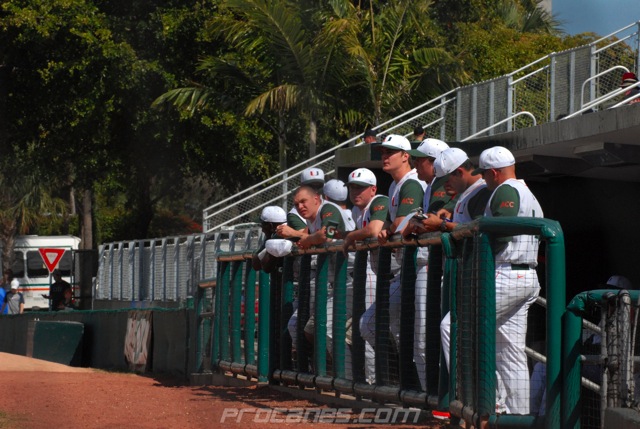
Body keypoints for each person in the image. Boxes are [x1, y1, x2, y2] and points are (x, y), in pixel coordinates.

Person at [473, 146, 544, 414]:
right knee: (510, 351)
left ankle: (489, 401)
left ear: (494, 172)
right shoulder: (528, 192)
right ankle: (518, 416)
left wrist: (472, 229)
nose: (483, 179)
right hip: (525, 273)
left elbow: (500, 234)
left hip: (506, 273)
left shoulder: (505, 189)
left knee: (455, 327)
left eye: (484, 174)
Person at [412, 148, 491, 377]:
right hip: (467, 272)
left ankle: (463, 391)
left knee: (454, 330)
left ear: (459, 172)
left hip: (482, 272)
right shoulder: (466, 194)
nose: (445, 186)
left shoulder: (480, 192)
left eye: (447, 179)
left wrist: (442, 225)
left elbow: (478, 229)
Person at [362, 134, 425, 355]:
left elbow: (401, 223)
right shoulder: (394, 186)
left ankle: (398, 373)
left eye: (390, 152)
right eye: (382, 152)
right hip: (406, 266)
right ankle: (398, 373)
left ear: (405, 156)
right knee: (404, 334)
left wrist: (388, 231)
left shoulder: (411, 182)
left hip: (420, 265)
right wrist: (389, 230)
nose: (385, 156)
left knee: (372, 324)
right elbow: (391, 224)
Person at [399, 137, 450, 391]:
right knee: (425, 336)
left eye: (420, 160)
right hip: (431, 265)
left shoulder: (441, 183)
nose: (416, 164)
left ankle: (436, 394)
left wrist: (414, 223)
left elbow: (429, 221)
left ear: (435, 162)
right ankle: (431, 394)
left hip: (435, 266)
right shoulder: (429, 185)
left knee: (427, 336)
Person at [342, 168, 389, 384]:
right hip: (382, 273)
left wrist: (351, 236)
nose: (355, 192)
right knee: (372, 328)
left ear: (373, 189)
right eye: (352, 187)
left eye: (360, 188)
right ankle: (378, 381)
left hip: (397, 273)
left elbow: (374, 229)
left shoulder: (379, 201)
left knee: (369, 326)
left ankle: (377, 381)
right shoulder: (355, 211)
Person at [252, 206, 287, 273]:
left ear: (270, 226)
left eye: (262, 225)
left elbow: (262, 266)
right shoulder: (275, 235)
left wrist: (268, 237)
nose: (262, 229)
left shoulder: (279, 236)